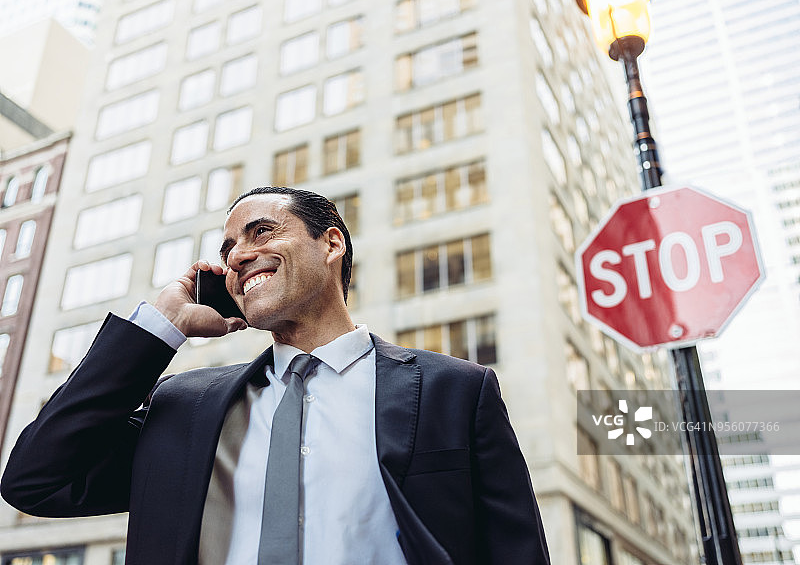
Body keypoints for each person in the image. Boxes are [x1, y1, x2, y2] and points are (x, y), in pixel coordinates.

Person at [1, 187, 550, 565]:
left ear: (331, 243)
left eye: (261, 232)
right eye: (228, 249)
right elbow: (36, 480)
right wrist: (159, 330)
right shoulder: (185, 407)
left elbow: (516, 552)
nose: (239, 256)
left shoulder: (453, 390)